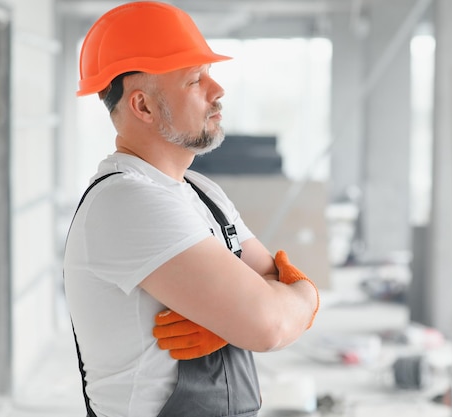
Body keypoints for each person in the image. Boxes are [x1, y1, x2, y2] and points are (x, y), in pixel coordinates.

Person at [63, 2, 320, 417]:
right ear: (142, 106)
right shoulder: (127, 203)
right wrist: (296, 296)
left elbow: (273, 295)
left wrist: (290, 298)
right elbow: (270, 324)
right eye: (194, 80)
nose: (217, 91)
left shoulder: (202, 191)